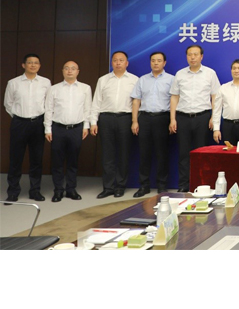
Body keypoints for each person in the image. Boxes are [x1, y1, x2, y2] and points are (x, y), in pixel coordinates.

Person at [169, 45, 221, 192]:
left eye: (195, 54)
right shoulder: (180, 74)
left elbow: (215, 97)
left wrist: (213, 117)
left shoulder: (210, 73)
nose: (192, 57)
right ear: (186, 57)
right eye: (189, 54)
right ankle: (183, 185)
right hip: (182, 117)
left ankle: (201, 184)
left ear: (201, 56)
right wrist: (172, 119)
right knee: (183, 153)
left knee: (201, 153)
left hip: (202, 117)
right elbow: (174, 97)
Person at [3, 54, 51, 203]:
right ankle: (13, 192)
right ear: (23, 65)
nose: (33, 65)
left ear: (39, 66)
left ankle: (35, 191)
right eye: (30, 62)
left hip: (38, 123)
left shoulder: (45, 82)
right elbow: (8, 104)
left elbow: (48, 104)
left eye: (36, 63)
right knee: (15, 159)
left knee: (36, 159)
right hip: (19, 123)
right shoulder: (13, 83)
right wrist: (19, 117)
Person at [90, 51, 138, 199]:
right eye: (115, 60)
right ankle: (108, 187)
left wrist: (135, 121)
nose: (118, 63)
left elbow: (137, 103)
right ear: (112, 63)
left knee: (124, 154)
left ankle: (120, 186)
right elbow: (96, 101)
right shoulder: (103, 80)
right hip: (106, 118)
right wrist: (93, 122)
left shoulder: (135, 80)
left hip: (125, 118)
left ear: (127, 63)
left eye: (121, 60)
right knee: (107, 154)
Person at [44, 61, 92, 202]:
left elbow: (87, 109)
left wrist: (86, 126)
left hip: (76, 128)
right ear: (62, 71)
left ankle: (71, 189)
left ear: (78, 71)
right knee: (57, 161)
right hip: (58, 128)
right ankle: (58, 190)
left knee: (73, 161)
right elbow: (48, 109)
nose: (69, 71)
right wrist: (48, 129)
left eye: (73, 68)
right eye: (66, 68)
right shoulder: (54, 89)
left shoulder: (85, 88)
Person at [130, 51, 174, 197]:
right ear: (150, 62)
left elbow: (175, 100)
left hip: (163, 118)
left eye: (159, 60)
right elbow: (136, 100)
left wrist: (172, 120)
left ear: (164, 63)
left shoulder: (171, 79)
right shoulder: (142, 79)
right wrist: (135, 121)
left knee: (162, 153)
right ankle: (144, 186)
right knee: (144, 153)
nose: (156, 63)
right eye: (153, 60)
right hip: (145, 118)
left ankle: (162, 186)